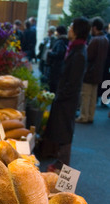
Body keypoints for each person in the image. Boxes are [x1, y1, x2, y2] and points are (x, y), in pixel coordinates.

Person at [41, 17, 91, 168]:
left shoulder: (80, 53)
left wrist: (60, 97)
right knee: (60, 132)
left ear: (76, 31)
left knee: (64, 134)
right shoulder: (75, 48)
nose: (69, 29)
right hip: (64, 99)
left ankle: (63, 171)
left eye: (71, 26)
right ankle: (59, 165)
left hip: (67, 101)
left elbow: (73, 83)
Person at [76, 17, 109, 123]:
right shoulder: (105, 39)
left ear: (94, 28)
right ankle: (90, 115)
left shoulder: (95, 40)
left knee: (85, 95)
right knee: (93, 96)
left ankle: (84, 116)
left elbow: (88, 56)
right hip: (99, 72)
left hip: (90, 72)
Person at [46, 25, 69, 93]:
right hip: (60, 66)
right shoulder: (65, 41)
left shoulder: (60, 42)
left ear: (58, 32)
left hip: (56, 67)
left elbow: (59, 54)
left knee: (53, 86)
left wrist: (50, 53)